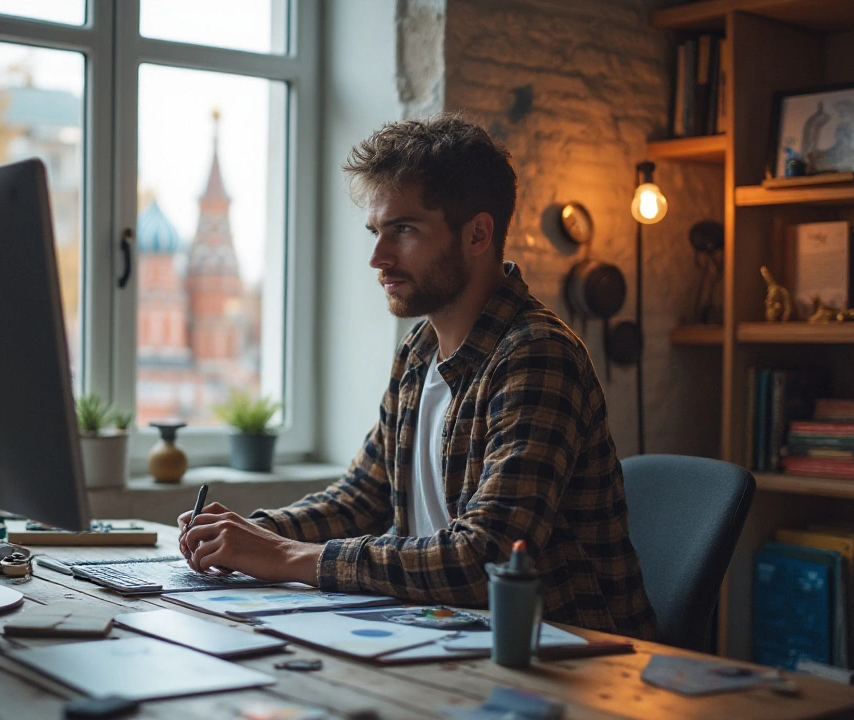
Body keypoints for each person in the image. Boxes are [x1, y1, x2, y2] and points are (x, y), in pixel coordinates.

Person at [178, 114, 656, 639]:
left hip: (566, 657)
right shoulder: (419, 352)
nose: (377, 258)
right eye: (376, 232)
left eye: (403, 230)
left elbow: (485, 558)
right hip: (445, 637)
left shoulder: (538, 355)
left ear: (477, 233)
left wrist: (289, 556)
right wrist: (245, 533)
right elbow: (362, 497)